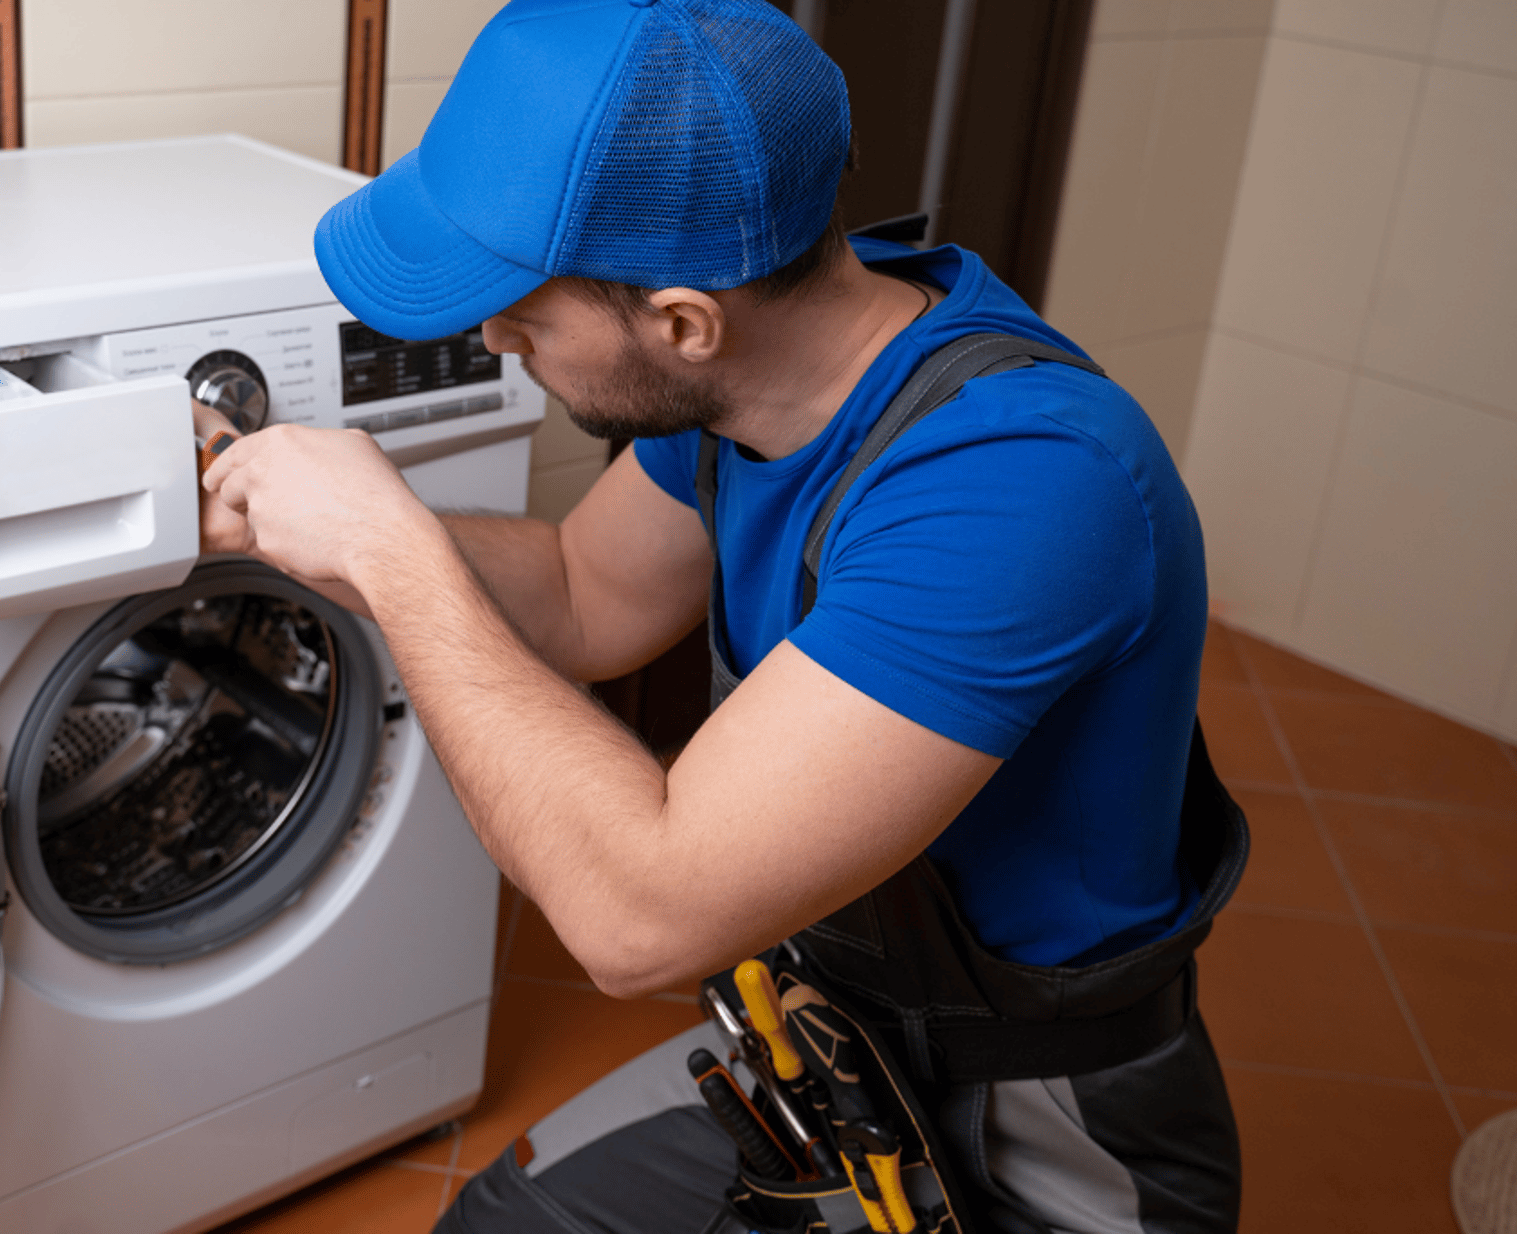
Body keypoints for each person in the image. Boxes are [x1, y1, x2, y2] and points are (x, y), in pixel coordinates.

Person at [197, 1, 1246, 1230]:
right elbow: (585, 597)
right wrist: (307, 526)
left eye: (524, 314)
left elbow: (635, 917)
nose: (493, 336)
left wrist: (390, 554)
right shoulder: (760, 386)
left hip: (1039, 1124)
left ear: (683, 320)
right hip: (824, 1046)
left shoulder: (1023, 481)